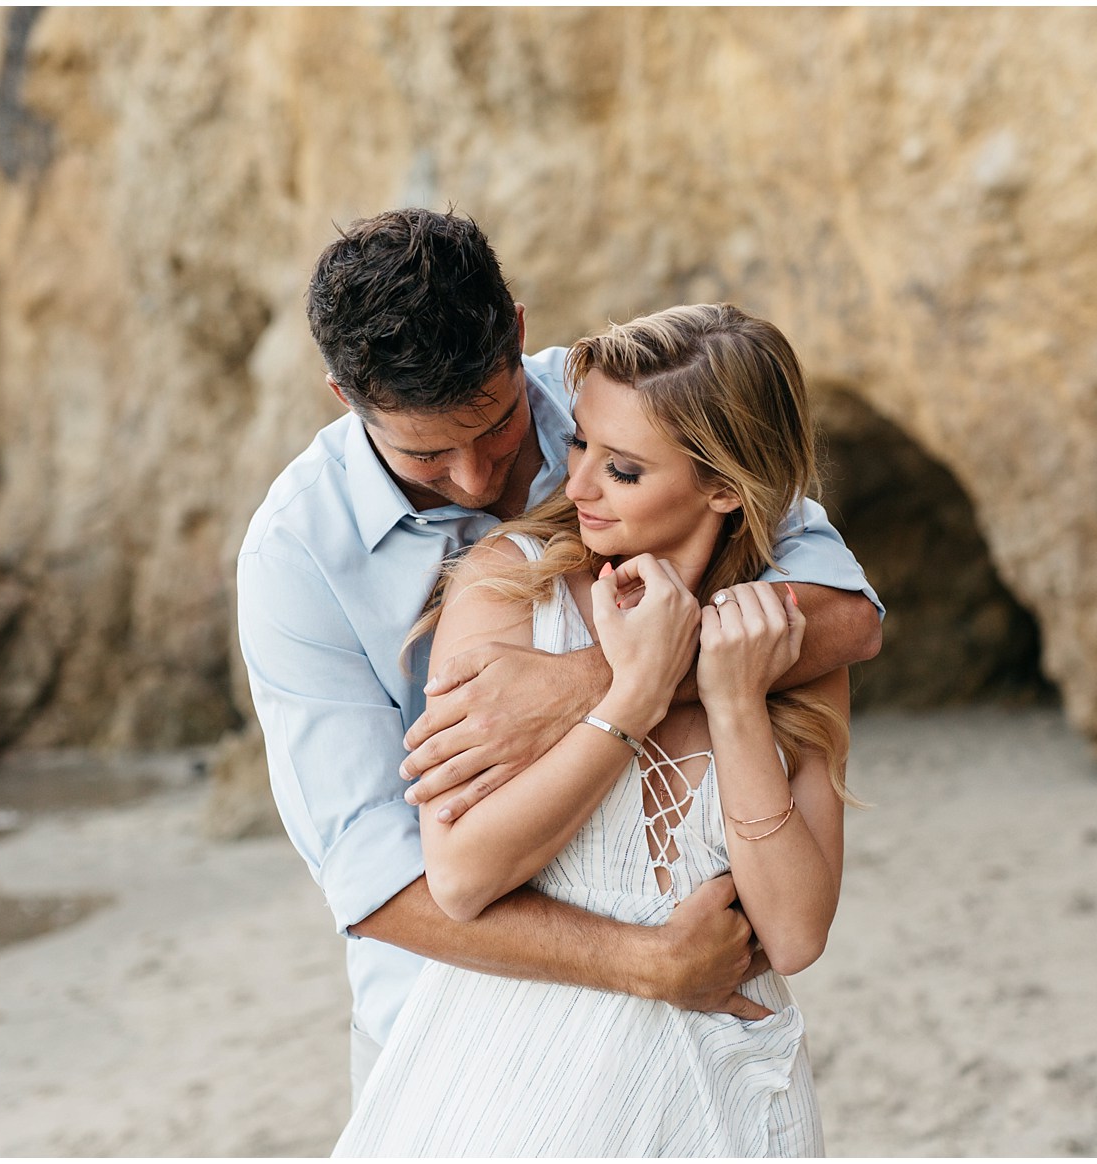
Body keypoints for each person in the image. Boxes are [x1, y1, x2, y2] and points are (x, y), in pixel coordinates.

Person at [235, 209, 883, 1106]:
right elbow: (377, 879)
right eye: (426, 451)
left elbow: (846, 620)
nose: (474, 480)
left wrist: (586, 681)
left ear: (520, 333)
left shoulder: (615, 409)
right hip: (452, 1028)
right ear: (346, 399)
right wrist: (643, 963)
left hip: (701, 1051)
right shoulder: (296, 557)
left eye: (497, 428)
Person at [333, 303, 853, 1156]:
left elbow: (794, 933)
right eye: (579, 445)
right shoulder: (507, 589)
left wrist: (729, 698)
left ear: (724, 486)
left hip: (716, 1100)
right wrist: (632, 697)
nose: (572, 487)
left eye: (623, 470)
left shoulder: (783, 636)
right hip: (513, 1092)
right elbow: (461, 877)